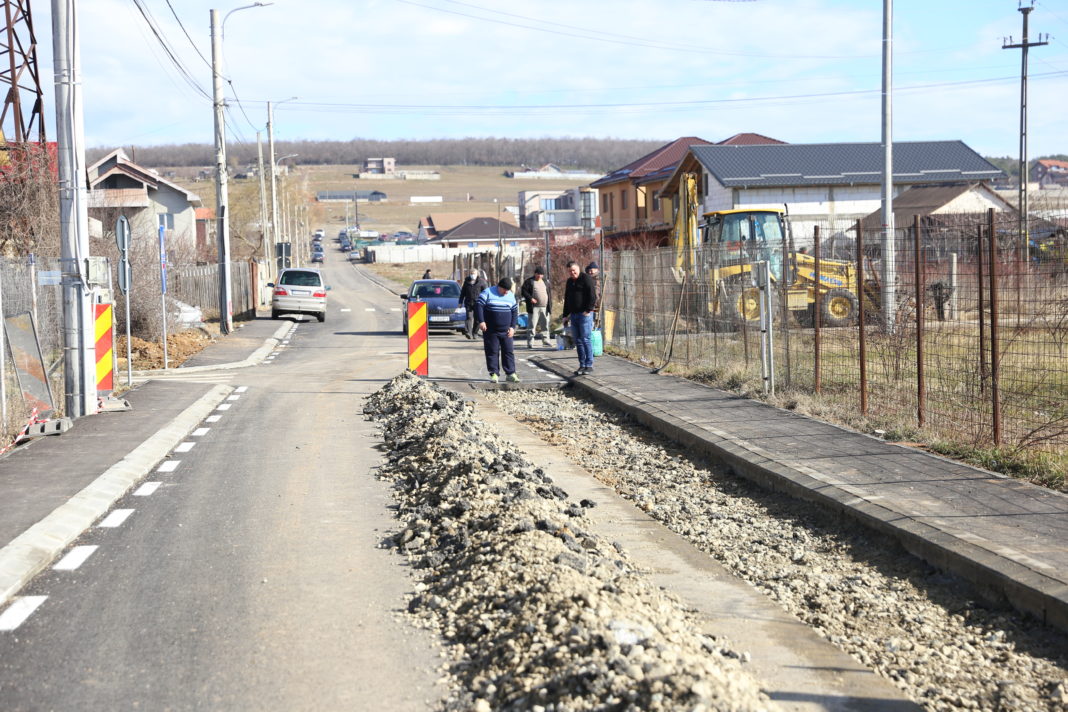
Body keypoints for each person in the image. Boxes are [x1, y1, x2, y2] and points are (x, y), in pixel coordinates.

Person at [475, 277, 519, 383]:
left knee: (508, 352)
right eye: (504, 290)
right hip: (491, 330)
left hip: (506, 331)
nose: (506, 292)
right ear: (499, 287)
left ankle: (511, 373)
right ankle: (494, 373)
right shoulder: (488, 292)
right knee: (492, 351)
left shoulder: (510, 295)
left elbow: (514, 311)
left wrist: (513, 327)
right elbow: (479, 306)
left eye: (508, 290)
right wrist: (481, 321)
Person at [563, 260, 597, 376]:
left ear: (578, 269)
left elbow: (592, 296)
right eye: (570, 271)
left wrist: (588, 310)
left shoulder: (586, 278)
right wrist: (565, 315)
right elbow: (567, 299)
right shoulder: (569, 282)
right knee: (578, 340)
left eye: (574, 270)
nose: (572, 273)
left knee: (585, 339)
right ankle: (582, 364)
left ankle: (589, 364)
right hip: (574, 315)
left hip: (584, 315)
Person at [520, 266, 553, 348]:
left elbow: (549, 294)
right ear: (535, 273)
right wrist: (530, 298)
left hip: (545, 307)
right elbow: (523, 291)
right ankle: (530, 342)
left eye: (541, 275)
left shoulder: (546, 282)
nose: (540, 276)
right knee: (532, 326)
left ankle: (546, 340)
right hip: (534, 308)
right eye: (538, 274)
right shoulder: (529, 281)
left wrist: (550, 306)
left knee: (545, 325)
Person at [459, 269, 486, 339]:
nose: (472, 275)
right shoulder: (466, 282)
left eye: (474, 273)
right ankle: (469, 333)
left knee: (477, 319)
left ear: (477, 274)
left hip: (478, 303)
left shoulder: (481, 282)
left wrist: (485, 302)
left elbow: (485, 293)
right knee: (469, 317)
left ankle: (475, 333)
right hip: (468, 302)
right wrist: (460, 302)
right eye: (471, 273)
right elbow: (462, 293)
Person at [585, 261, 602, 327]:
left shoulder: (597, 279)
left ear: (596, 270)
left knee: (596, 322)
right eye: (589, 271)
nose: (590, 272)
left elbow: (596, 293)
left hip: (596, 303)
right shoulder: (589, 278)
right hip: (592, 305)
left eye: (591, 270)